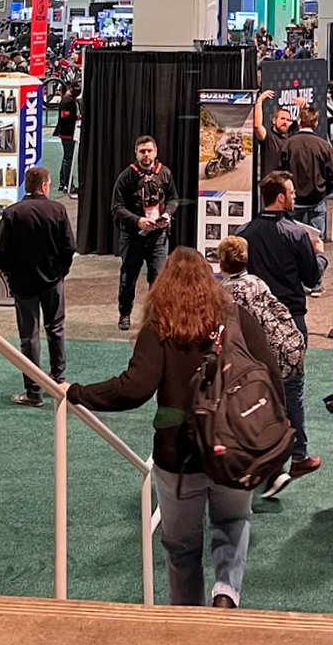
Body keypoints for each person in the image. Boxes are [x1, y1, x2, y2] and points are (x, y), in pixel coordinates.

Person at [66, 248, 280, 608]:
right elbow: (271, 375)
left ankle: (186, 619)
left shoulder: (160, 327)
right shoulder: (237, 318)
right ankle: (226, 591)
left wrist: (78, 393)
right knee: (234, 522)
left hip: (178, 455)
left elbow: (134, 388)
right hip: (235, 452)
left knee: (181, 547)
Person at [238, 171, 326, 497]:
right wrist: (318, 253)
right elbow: (312, 276)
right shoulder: (296, 234)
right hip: (290, 320)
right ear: (280, 197)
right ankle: (298, 455)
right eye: (290, 192)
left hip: (253, 323)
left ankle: (259, 454)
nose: (294, 197)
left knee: (258, 390)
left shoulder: (245, 232)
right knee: (293, 390)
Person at [0, 167, 76, 407]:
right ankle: (58, 381)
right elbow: (69, 247)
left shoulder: (12, 213)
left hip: (23, 284)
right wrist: (61, 272)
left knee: (28, 337)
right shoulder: (58, 210)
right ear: (45, 186)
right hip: (53, 281)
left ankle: (33, 391)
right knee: (56, 329)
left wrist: (11, 274)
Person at [111, 136, 178, 331]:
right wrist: (138, 220)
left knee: (158, 279)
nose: (146, 155)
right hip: (133, 236)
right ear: (136, 153)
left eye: (149, 151)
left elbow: (174, 198)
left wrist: (167, 214)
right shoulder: (126, 177)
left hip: (158, 236)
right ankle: (125, 313)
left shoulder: (164, 173)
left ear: (155, 152)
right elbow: (117, 207)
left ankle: (154, 317)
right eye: (142, 151)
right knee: (128, 278)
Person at [218, 236, 307, 381]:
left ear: (222, 263)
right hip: (287, 350)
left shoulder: (224, 291)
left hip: (259, 363)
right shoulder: (257, 281)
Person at [280, 105, 333, 235]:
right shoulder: (323, 145)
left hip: (294, 201)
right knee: (317, 243)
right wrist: (323, 191)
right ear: (316, 123)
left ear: (299, 122)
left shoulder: (288, 144)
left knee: (291, 240)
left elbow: (281, 172)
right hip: (317, 200)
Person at [252, 90, 293, 179]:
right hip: (270, 185)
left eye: (288, 120)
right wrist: (259, 101)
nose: (285, 122)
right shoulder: (268, 136)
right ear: (274, 120)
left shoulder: (292, 138)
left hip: (286, 185)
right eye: (282, 118)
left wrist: (303, 107)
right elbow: (257, 126)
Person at [54, 84, 80, 194]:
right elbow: (64, 115)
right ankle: (66, 183)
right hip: (67, 133)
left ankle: (64, 183)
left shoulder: (68, 100)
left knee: (67, 158)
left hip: (68, 132)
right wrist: (76, 117)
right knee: (68, 159)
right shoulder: (67, 101)